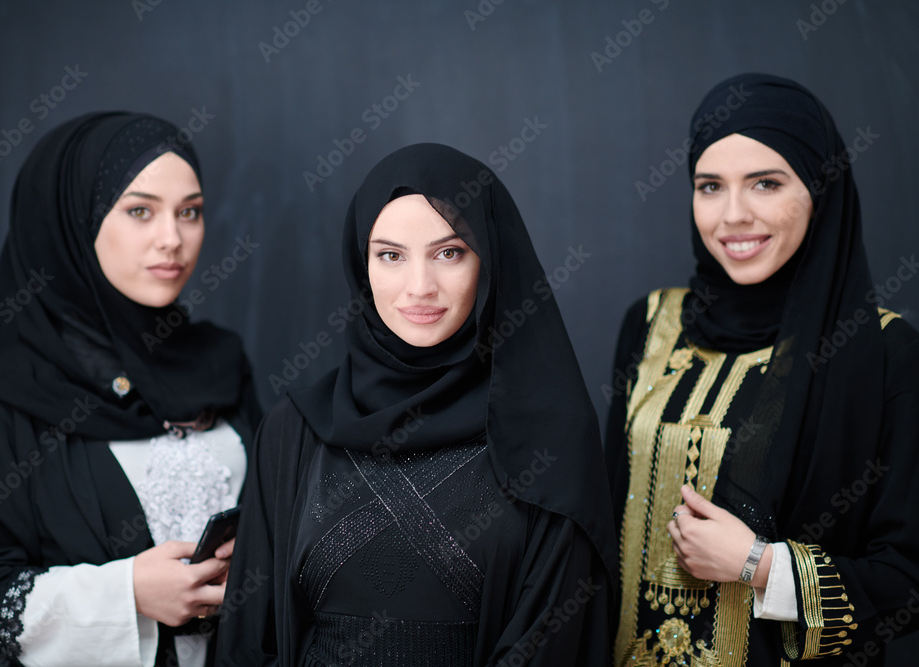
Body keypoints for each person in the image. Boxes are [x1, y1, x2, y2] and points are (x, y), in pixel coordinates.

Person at [215, 143, 617, 665]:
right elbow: (251, 640)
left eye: (449, 253)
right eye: (390, 255)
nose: (419, 287)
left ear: (491, 261)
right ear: (362, 266)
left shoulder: (549, 432)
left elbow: (556, 640)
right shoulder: (295, 430)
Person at [605, 73, 919, 666]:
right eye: (709, 186)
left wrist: (760, 565)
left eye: (766, 183)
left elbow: (906, 579)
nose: (733, 216)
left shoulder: (883, 352)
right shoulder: (650, 324)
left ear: (821, 192)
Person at [0, 112, 263, 667]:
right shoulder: (7, 400)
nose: (173, 239)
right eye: (140, 211)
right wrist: (128, 594)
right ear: (72, 222)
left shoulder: (220, 362)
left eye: (189, 212)